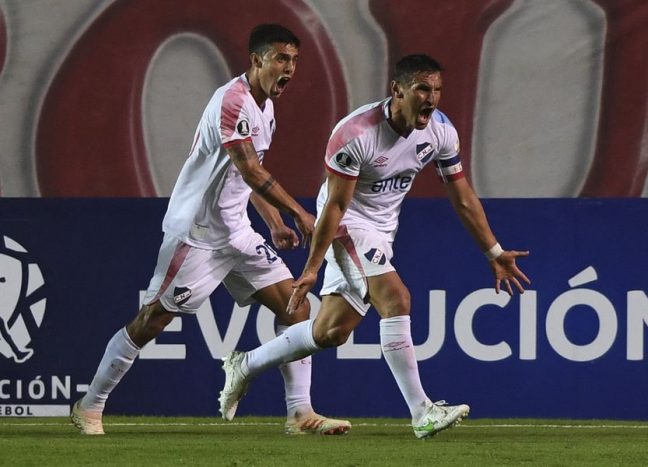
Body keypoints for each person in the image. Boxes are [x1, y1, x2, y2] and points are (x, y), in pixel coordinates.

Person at [218, 54, 531, 439]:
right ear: (397, 90)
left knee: (331, 331)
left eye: (437, 90)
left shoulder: (441, 131)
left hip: (382, 231)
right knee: (396, 299)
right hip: (347, 224)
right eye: (422, 89)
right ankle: (422, 412)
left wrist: (494, 252)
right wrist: (313, 268)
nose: (431, 98)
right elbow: (334, 207)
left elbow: (462, 196)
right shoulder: (356, 134)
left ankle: (245, 364)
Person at [70, 24, 351, 436]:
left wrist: (272, 223)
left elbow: (244, 180)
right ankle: (89, 405)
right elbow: (251, 170)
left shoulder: (266, 108)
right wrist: (297, 213)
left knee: (297, 307)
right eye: (281, 59)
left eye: (294, 60)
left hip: (236, 232)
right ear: (257, 61)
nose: (290, 68)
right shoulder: (233, 102)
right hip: (197, 233)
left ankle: (299, 413)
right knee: (152, 320)